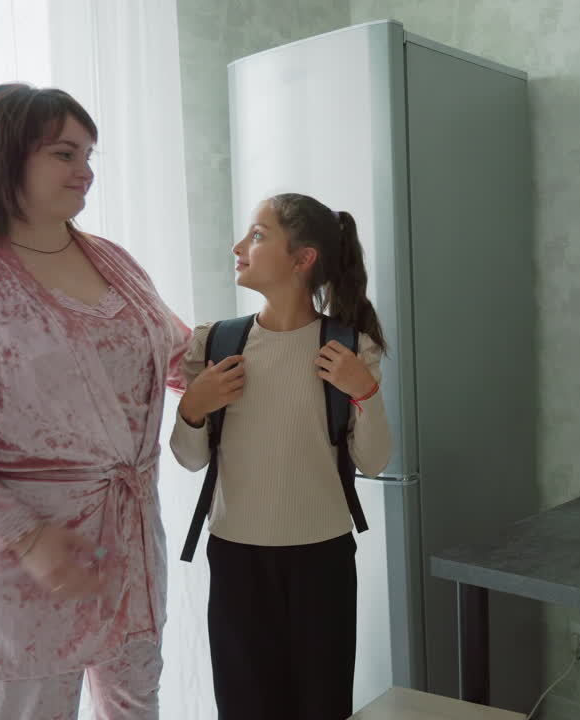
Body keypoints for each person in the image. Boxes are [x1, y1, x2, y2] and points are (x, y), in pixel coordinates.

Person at [0, 83, 190, 719]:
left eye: (88, 155)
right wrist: (25, 536)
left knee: (137, 707)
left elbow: (174, 349)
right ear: (7, 157)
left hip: (128, 548)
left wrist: (278, 346)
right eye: (64, 154)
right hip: (25, 565)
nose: (85, 171)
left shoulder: (114, 262)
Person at [170, 192, 391, 719]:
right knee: (245, 707)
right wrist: (193, 407)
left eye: (257, 235)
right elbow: (190, 459)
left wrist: (366, 393)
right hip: (236, 558)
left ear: (303, 258)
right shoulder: (216, 343)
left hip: (323, 558)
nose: (239, 247)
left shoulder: (349, 347)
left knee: (322, 705)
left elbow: (374, 461)